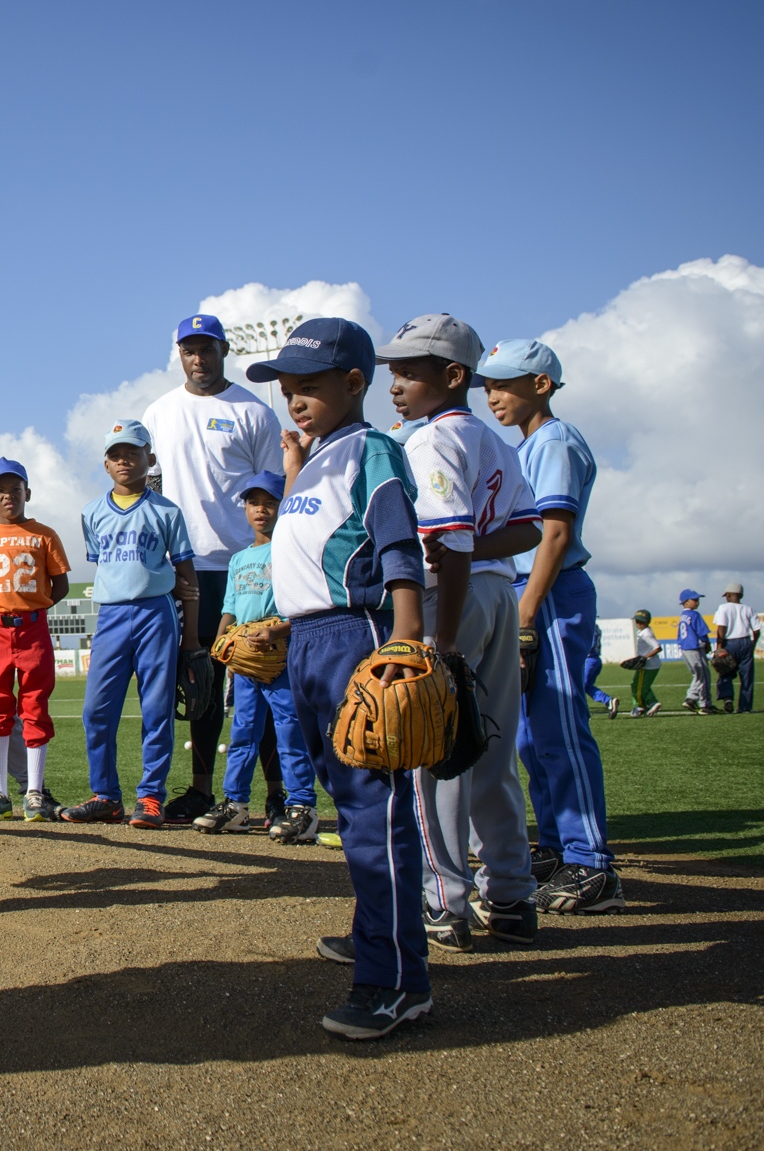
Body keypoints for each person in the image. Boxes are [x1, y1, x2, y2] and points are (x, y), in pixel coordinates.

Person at [248, 317, 430, 1040]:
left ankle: (395, 980)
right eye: (287, 388)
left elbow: (396, 543)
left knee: (374, 811)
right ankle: (377, 934)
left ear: (355, 383)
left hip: (359, 634)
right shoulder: (317, 457)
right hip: (310, 642)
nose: (294, 398)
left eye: (310, 386)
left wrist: (406, 641)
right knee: (351, 804)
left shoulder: (372, 447)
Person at [382, 314, 542, 954]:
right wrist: (475, 554)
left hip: (454, 600)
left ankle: (445, 902)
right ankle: (510, 895)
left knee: (437, 753)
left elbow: (447, 541)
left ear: (453, 376)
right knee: (493, 751)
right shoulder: (494, 440)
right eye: (393, 370)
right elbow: (526, 529)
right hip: (498, 591)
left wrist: (441, 642)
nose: (395, 383)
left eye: (410, 371)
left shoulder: (430, 441)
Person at [479, 338, 622, 915]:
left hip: (550, 591)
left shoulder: (555, 439)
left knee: (560, 728)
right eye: (487, 385)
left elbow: (555, 534)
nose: (493, 396)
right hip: (530, 591)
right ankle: (561, 846)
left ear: (541, 384)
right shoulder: (530, 444)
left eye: (505, 383)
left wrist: (528, 612)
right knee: (530, 737)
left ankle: (592, 864)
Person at [141, 313, 286, 824]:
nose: (198, 358)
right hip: (186, 566)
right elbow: (148, 487)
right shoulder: (159, 412)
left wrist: (271, 552)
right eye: (189, 349)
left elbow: (275, 486)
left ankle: (278, 792)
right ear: (179, 352)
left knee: (262, 674)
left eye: (207, 349)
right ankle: (202, 789)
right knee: (200, 681)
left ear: (225, 350)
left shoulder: (253, 411)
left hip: (247, 564)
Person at [61, 421, 197, 828]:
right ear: (106, 464)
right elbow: (103, 564)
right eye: (117, 454)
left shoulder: (167, 511)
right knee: (96, 711)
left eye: (133, 453)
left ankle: (151, 796)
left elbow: (187, 576)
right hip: (113, 615)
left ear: (149, 459)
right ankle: (106, 796)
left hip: (157, 612)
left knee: (156, 709)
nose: (125, 460)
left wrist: (190, 641)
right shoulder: (91, 512)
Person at [193, 469, 317, 842]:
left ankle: (302, 807)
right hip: (247, 657)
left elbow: (306, 604)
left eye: (270, 502)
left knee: (289, 730)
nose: (260, 510)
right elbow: (230, 607)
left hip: (281, 654)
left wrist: (277, 630)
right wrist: (220, 645)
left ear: (284, 506)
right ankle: (236, 806)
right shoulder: (239, 559)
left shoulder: (294, 549)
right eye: (253, 503)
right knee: (243, 731)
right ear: (245, 509)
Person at [0, 457, 70, 822]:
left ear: (28, 492)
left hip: (33, 629)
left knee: (35, 705)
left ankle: (35, 792)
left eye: (16, 489)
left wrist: (31, 608)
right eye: (1, 491)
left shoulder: (44, 533)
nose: (9, 496)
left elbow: (62, 585)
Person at [711, 583, 759, 713]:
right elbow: (756, 630)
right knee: (747, 677)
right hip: (745, 642)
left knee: (725, 671)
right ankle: (745, 707)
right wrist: (752, 645)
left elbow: (721, 628)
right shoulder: (749, 609)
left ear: (728, 594)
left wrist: (719, 647)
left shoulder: (723, 608)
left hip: (729, 643)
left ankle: (727, 699)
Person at [676, 589, 715, 714]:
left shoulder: (683, 616)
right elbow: (702, 632)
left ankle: (700, 701)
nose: (697, 602)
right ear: (686, 602)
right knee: (702, 675)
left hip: (685, 648)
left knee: (698, 675)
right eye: (695, 600)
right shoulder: (694, 615)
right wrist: (708, 645)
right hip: (695, 647)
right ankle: (696, 700)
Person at [628, 611, 663, 717]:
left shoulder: (646, 633)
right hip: (649, 664)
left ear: (647, 622)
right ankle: (652, 703)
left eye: (641, 622)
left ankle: (640, 707)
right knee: (639, 685)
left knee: (638, 687)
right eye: (637, 621)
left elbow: (657, 648)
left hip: (648, 665)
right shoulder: (643, 631)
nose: (638, 623)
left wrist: (644, 658)